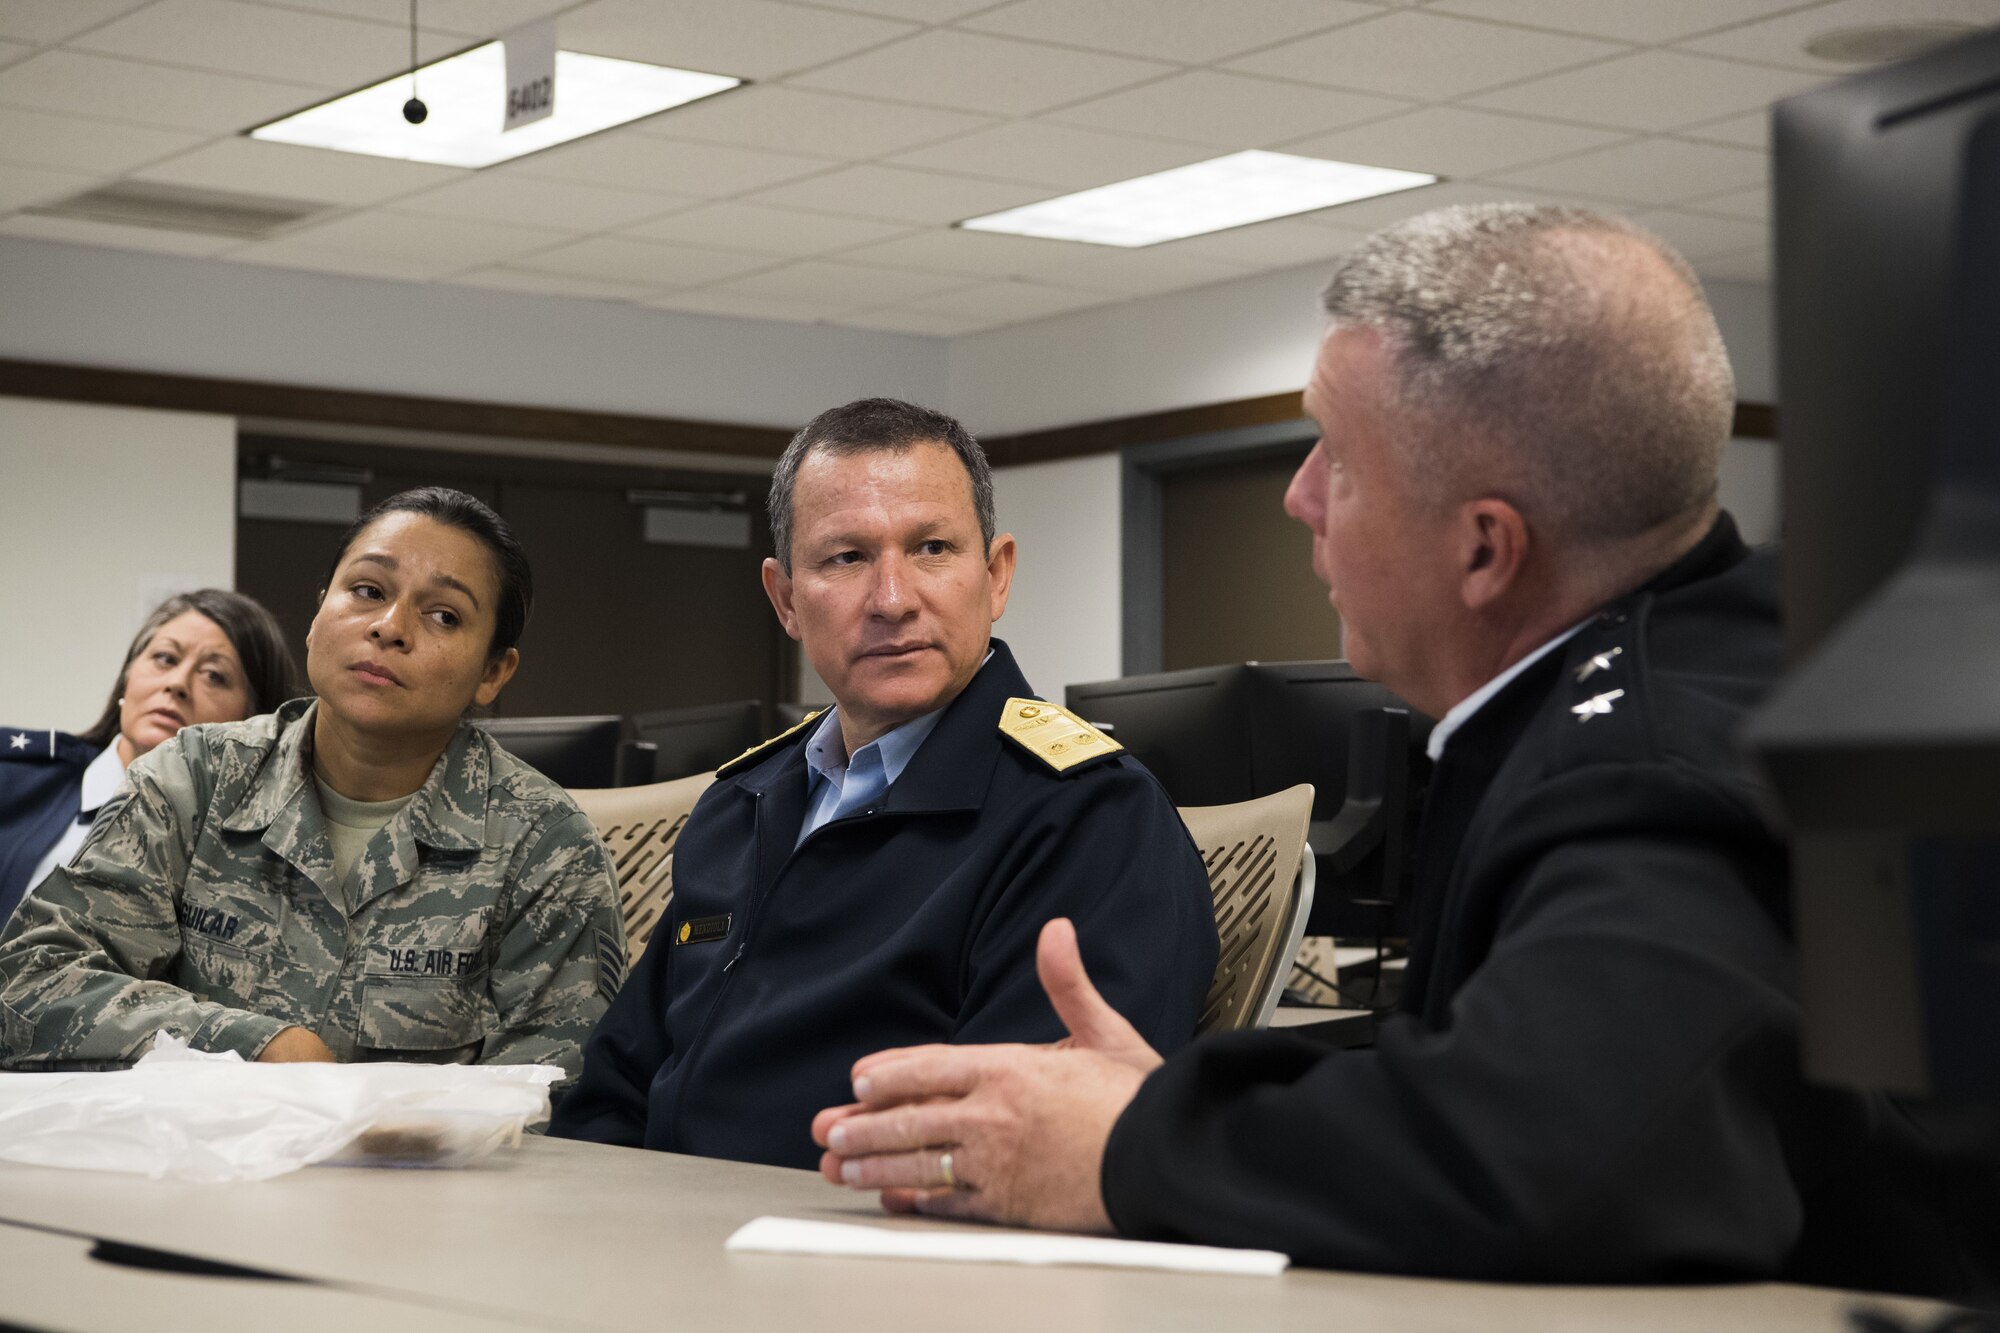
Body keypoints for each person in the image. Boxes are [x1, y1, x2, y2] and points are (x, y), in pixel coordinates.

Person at [811, 206, 2000, 1299]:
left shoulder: (1642, 765)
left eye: (1337, 457)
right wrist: (1167, 1110)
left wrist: (1129, 1147)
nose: (1297, 498)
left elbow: (1551, 1157)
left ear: (1484, 550)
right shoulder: (1732, 657)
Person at [551, 398, 1218, 1168]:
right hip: (651, 1239)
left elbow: (1008, 1148)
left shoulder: (1088, 816)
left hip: (858, 1254)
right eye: (847, 557)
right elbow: (614, 1088)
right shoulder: (743, 804)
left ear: (996, 576)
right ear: (786, 598)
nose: (894, 597)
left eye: (932, 547)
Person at [0, 487, 626, 1084]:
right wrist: (256, 1047)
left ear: (493, 672)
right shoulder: (195, 778)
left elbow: (556, 1095)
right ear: (319, 611)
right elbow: (30, 983)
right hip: (189, 1171)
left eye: (443, 614)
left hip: (418, 1191)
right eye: (367, 589)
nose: (389, 626)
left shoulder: (545, 846)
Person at [0, 589, 298, 928]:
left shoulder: (259, 857)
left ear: (253, 720)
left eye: (215, 675)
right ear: (127, 677)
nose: (177, 683)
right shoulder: (14, 777)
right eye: (166, 658)